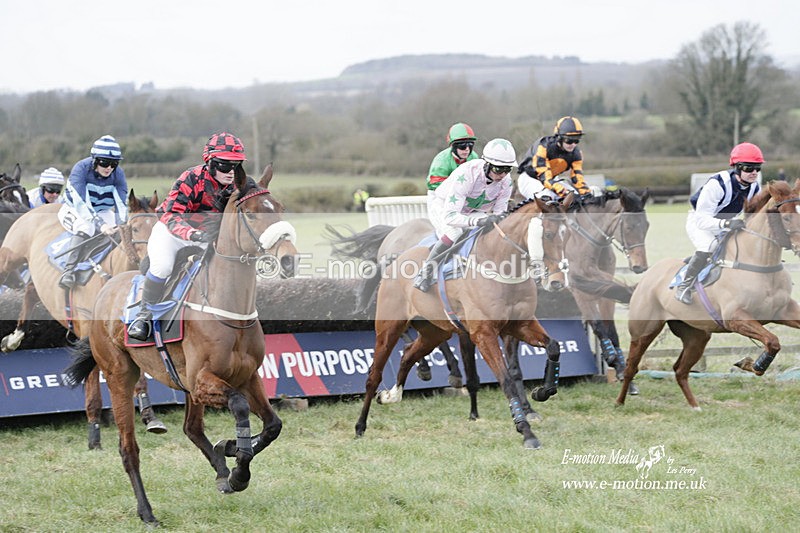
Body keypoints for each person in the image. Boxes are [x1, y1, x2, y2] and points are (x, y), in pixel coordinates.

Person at [127, 131, 246, 341]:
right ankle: (143, 316)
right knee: (162, 267)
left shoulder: (238, 184)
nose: (231, 172)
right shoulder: (191, 178)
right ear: (210, 162)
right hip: (172, 232)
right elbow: (172, 215)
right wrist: (192, 233)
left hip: (207, 237)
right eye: (225, 165)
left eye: (236, 165)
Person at [413, 138, 515, 292]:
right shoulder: (467, 174)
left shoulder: (507, 182)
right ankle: (425, 272)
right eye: (498, 169)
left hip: (471, 210)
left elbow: (499, 215)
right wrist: (478, 221)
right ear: (486, 164)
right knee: (455, 232)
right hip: (444, 207)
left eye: (507, 169)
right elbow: (451, 217)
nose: (502, 174)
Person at [675, 142, 764, 304]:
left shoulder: (754, 188)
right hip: (699, 221)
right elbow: (702, 219)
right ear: (737, 167)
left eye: (758, 168)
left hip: (727, 223)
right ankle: (684, 286)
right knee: (710, 245)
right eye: (749, 168)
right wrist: (727, 224)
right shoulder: (717, 184)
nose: (754, 173)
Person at [57, 135, 128, 289]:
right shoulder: (80, 169)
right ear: (95, 160)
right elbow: (82, 204)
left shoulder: (118, 174)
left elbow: (122, 204)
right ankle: (68, 271)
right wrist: (100, 225)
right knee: (87, 228)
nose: (109, 168)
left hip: (101, 210)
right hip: (74, 209)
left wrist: (122, 224)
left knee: (120, 231)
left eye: (114, 164)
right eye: (104, 162)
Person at [517, 116, 589, 200]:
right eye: (569, 140)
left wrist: (587, 194)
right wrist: (563, 192)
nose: (573, 144)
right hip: (530, 179)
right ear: (559, 138)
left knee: (577, 198)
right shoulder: (544, 146)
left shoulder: (576, 153)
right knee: (548, 198)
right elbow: (545, 178)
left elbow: (577, 178)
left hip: (552, 180)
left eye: (576, 140)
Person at [426, 123, 480, 212]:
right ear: (452, 146)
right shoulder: (441, 160)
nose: (467, 149)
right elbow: (437, 187)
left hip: (463, 196)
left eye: (470, 145)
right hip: (439, 197)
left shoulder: (474, 157)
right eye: (462, 146)